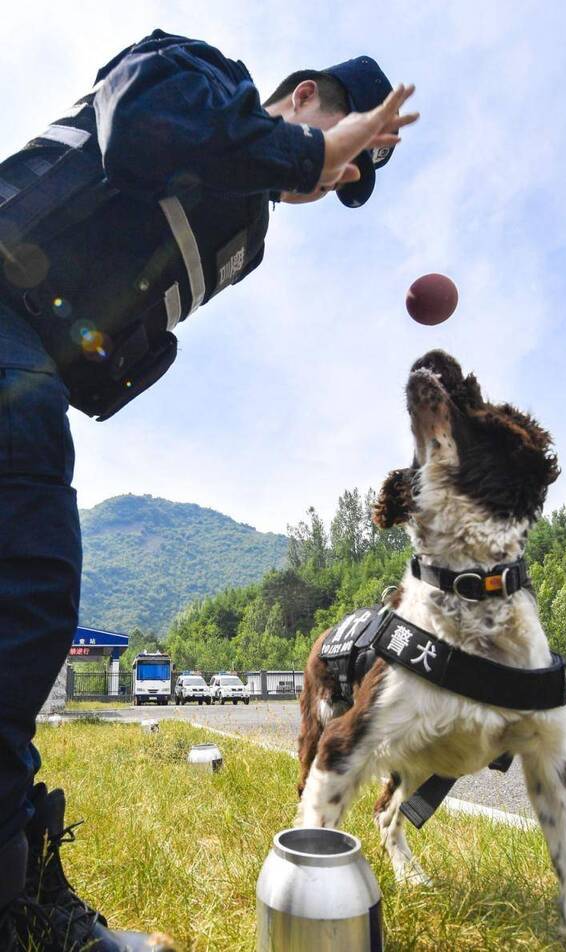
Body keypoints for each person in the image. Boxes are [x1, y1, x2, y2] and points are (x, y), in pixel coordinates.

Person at [0, 28, 418, 951]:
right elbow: (140, 130)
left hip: (30, 360)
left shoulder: (248, 233)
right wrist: (312, 151)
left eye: (359, 175)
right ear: (304, 96)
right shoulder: (197, 72)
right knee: (30, 589)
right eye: (356, 142)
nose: (344, 176)